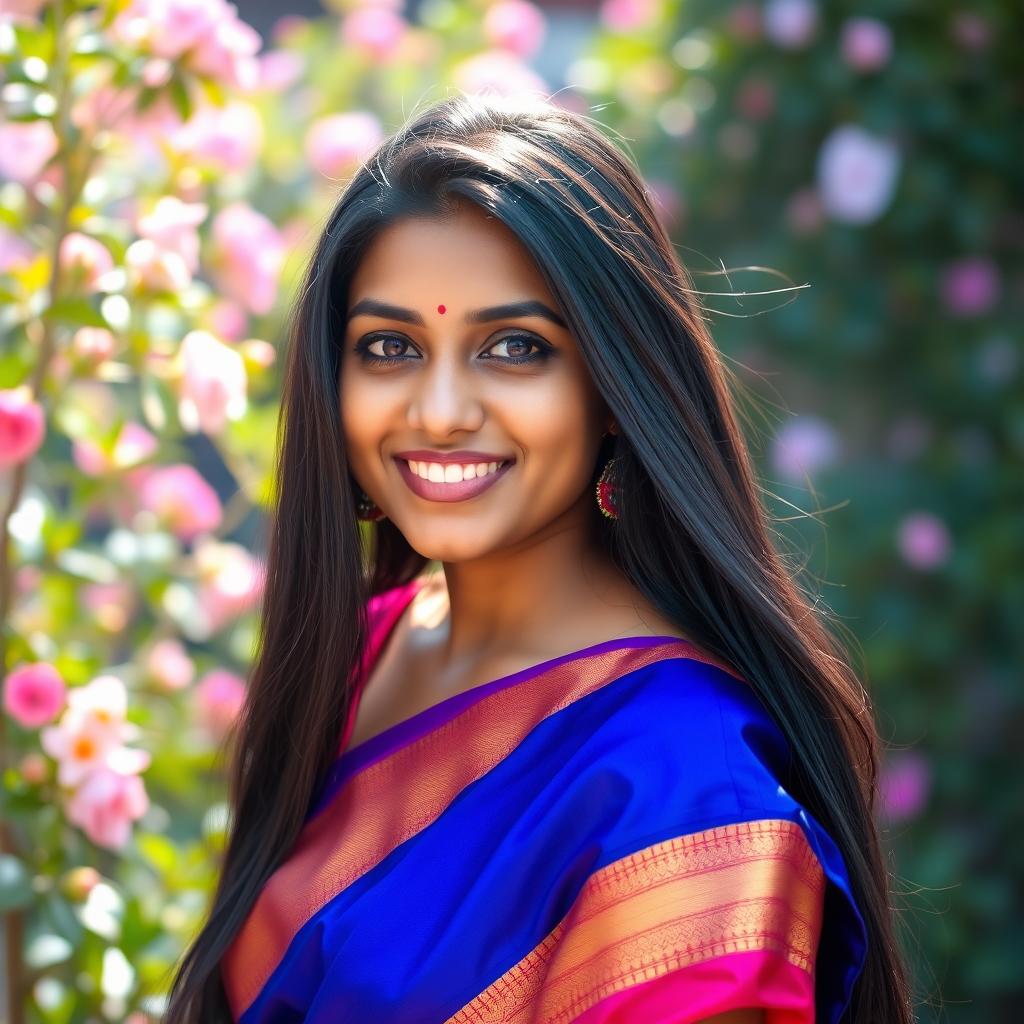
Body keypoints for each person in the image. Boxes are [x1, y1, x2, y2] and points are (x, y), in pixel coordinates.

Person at [163, 91, 913, 1023]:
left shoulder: (688, 793)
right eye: (390, 346)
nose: (438, 410)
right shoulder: (362, 648)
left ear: (613, 385)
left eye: (514, 348)